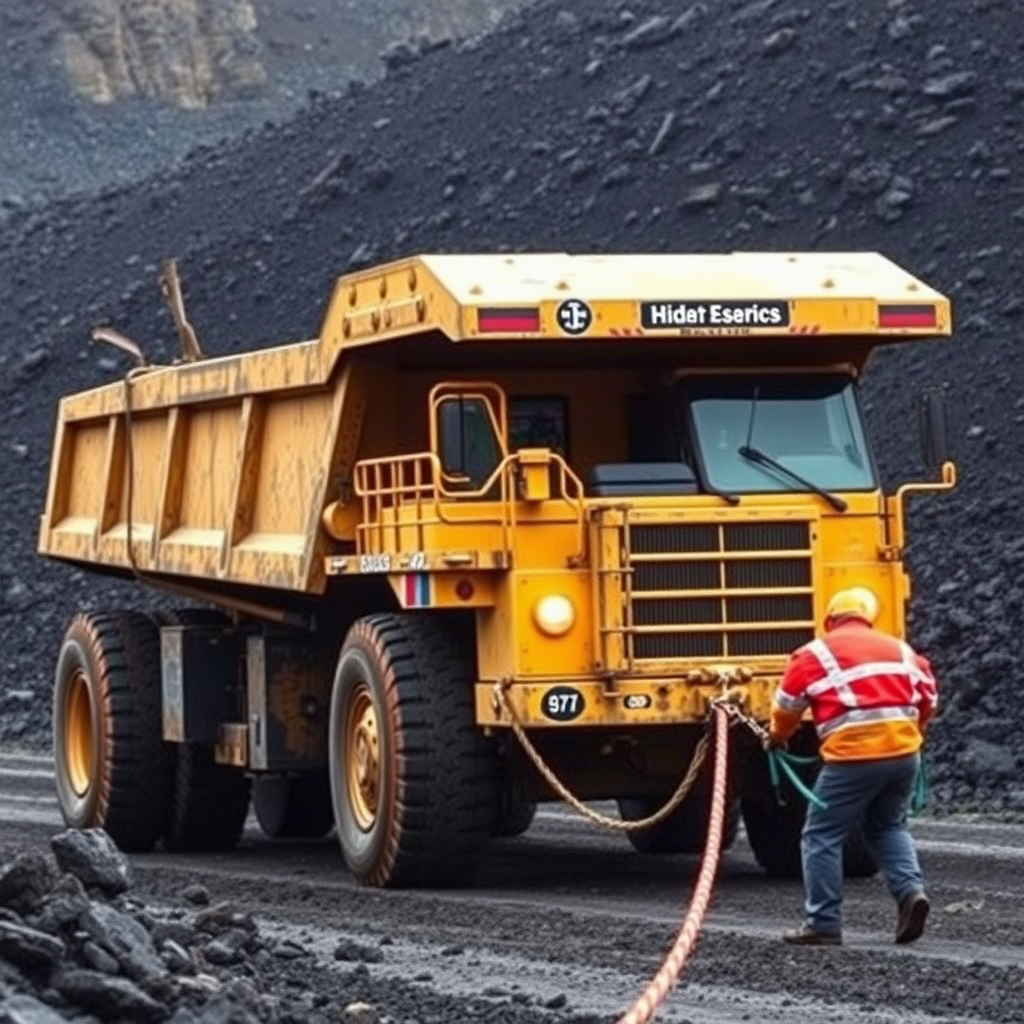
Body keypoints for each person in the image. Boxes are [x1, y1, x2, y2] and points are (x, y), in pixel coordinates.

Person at [766, 586, 938, 946]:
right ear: (869, 618)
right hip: (904, 756)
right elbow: (928, 697)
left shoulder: (814, 653)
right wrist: (913, 732)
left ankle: (823, 922)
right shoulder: (901, 650)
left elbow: (786, 708)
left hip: (853, 758)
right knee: (889, 826)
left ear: (830, 620)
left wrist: (777, 738)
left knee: (822, 835)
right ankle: (911, 894)